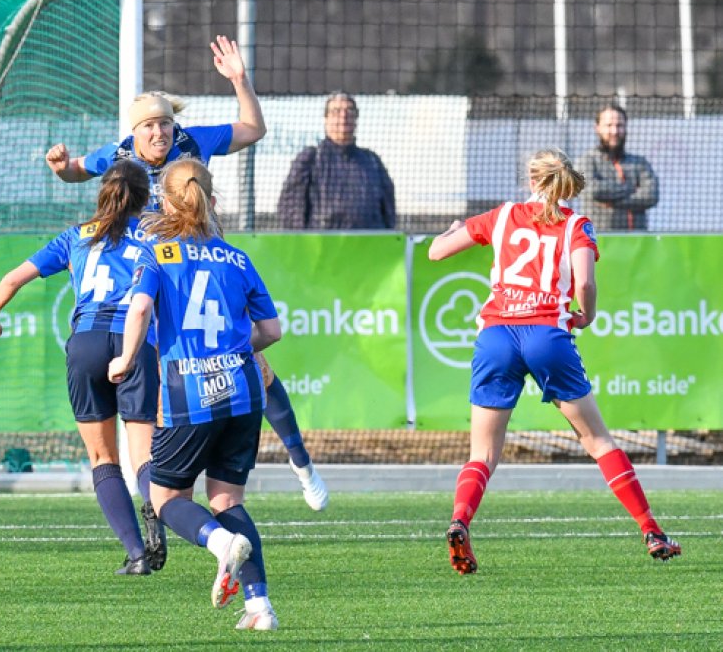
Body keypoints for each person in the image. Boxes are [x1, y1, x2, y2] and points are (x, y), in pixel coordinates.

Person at [45, 36, 328, 512]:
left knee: (255, 364)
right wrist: (60, 168)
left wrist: (240, 80)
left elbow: (253, 129)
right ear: (135, 132)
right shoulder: (117, 156)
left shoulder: (192, 143)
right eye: (150, 125)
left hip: (201, 263)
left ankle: (302, 463)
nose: (160, 132)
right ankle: (171, 496)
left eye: (164, 123)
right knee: (165, 383)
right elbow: (77, 169)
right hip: (160, 275)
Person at [427, 148, 680, 575]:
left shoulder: (502, 216)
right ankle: (652, 531)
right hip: (547, 336)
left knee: (483, 452)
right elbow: (585, 284)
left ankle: (460, 521)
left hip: (497, 336)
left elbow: (436, 252)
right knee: (598, 441)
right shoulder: (577, 224)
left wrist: (452, 230)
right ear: (566, 184)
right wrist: (587, 314)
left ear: (533, 179)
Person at [108, 159, 282, 631]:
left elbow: (140, 308)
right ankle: (259, 608)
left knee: (164, 498)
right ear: (212, 199)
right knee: (227, 501)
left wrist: (124, 359)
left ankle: (220, 544)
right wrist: (234, 351)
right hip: (244, 391)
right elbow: (271, 330)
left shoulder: (157, 253)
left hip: (189, 391)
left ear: (166, 202)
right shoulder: (237, 258)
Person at [0, 160, 166, 575]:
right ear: (144, 198)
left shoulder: (76, 236)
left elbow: (12, 279)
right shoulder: (156, 237)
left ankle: (136, 554)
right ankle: (157, 511)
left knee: (102, 456)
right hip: (134, 342)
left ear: (102, 194)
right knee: (144, 455)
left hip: (86, 343)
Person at [277, 92, 396, 230]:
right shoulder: (311, 160)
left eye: (349, 111)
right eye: (336, 111)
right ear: (326, 119)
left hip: (368, 241)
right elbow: (290, 211)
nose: (343, 117)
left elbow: (388, 212)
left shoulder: (372, 162)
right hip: (322, 241)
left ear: (356, 119)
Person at [575, 103, 658, 231]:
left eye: (619, 125)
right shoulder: (586, 161)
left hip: (638, 240)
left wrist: (610, 201)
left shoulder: (640, 163)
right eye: (609, 125)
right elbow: (593, 190)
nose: (614, 131)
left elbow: (651, 195)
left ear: (625, 127)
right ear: (597, 128)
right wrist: (631, 188)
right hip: (600, 239)